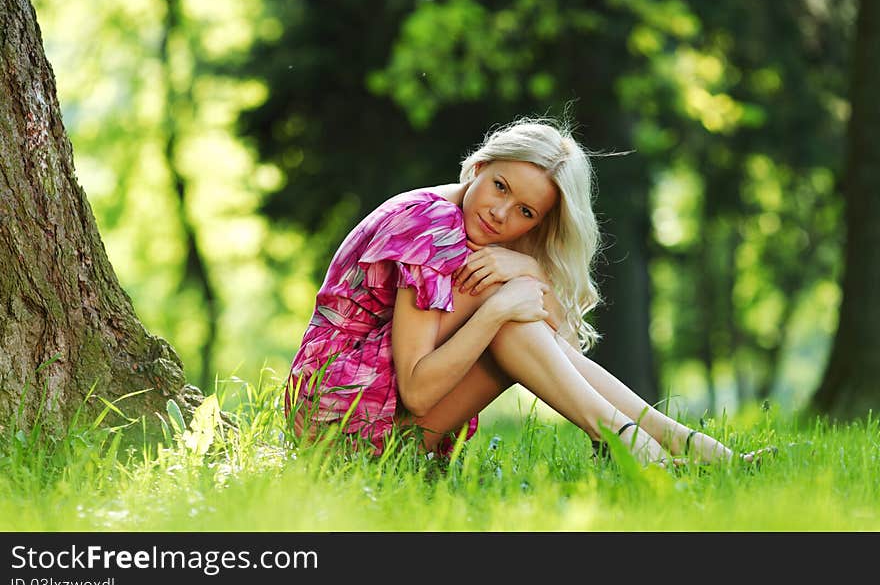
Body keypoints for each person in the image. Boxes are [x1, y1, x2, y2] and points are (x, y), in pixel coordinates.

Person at [285, 117, 766, 467]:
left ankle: (668, 443)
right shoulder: (431, 227)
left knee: (516, 317)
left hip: (384, 435)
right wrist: (495, 311)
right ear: (478, 166)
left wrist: (530, 268)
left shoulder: (482, 242)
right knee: (507, 313)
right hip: (334, 416)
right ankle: (646, 443)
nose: (501, 214)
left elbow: (559, 349)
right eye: (499, 186)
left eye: (525, 213)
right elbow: (415, 389)